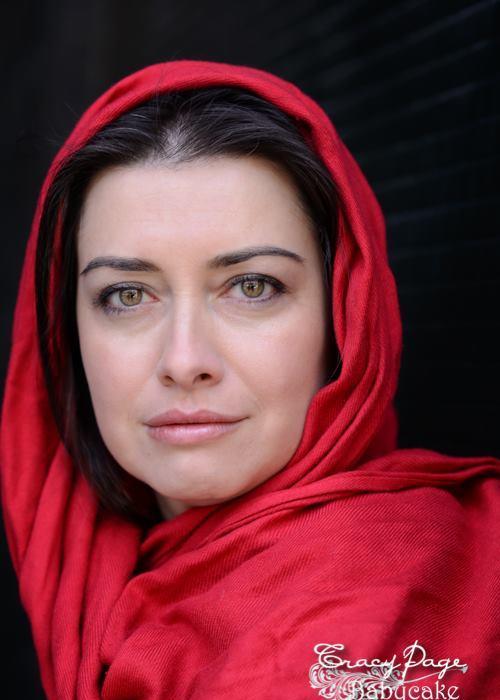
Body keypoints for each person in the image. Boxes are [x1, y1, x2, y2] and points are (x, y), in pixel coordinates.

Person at [1, 59, 498, 699]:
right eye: (127, 295)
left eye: (253, 286)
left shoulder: (439, 584)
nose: (184, 360)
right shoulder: (81, 572)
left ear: (346, 314)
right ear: (66, 328)